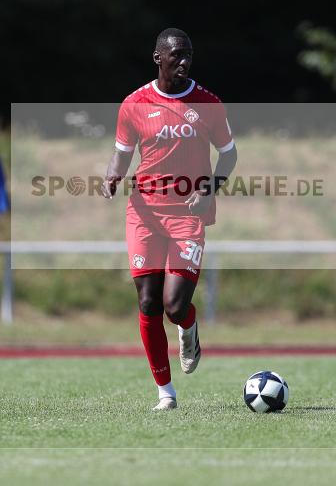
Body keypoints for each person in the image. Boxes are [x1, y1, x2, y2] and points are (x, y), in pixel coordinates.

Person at [102, 28, 238, 410]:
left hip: (188, 213)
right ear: (158, 57)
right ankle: (166, 393)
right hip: (144, 213)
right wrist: (113, 175)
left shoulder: (208, 104)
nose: (184, 61)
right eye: (176, 55)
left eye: (188, 55)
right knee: (148, 302)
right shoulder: (134, 104)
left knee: (175, 306)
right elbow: (121, 153)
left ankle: (188, 327)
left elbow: (229, 155)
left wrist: (209, 189)